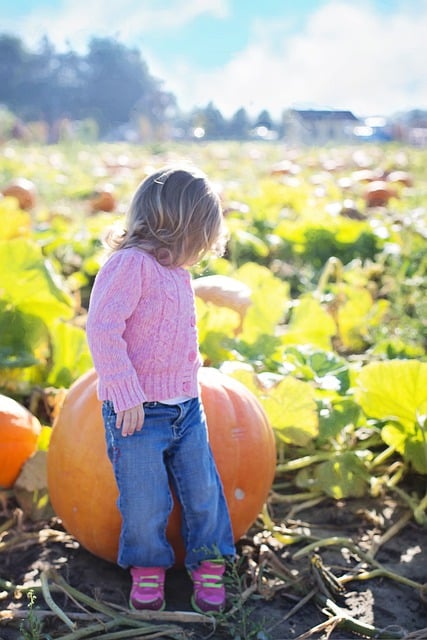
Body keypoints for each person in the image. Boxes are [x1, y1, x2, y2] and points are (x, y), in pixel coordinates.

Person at [86, 165, 235, 613]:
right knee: (145, 500)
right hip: (137, 412)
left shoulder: (177, 271)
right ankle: (147, 570)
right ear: (181, 229)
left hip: (186, 409)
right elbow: (102, 327)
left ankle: (209, 565)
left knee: (203, 492)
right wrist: (123, 391)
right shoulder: (131, 265)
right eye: (202, 240)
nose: (203, 251)